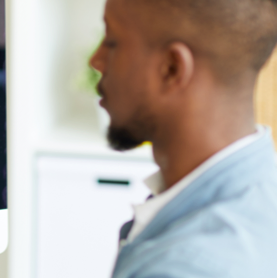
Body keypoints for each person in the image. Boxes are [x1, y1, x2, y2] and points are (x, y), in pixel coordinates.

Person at [90, 0, 277, 277]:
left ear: (172, 68)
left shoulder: (179, 268)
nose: (96, 60)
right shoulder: (261, 183)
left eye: (113, 41)